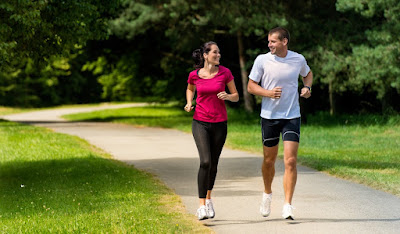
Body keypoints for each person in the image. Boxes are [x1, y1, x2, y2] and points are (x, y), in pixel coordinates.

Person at [247, 27, 313, 220]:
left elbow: (307, 74)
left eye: (273, 41)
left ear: (284, 41)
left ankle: (288, 205)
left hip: (292, 115)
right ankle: (267, 194)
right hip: (269, 116)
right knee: (269, 160)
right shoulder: (262, 60)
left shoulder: (298, 59)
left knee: (291, 160)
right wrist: (267, 93)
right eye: (269, 42)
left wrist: (307, 87)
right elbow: (251, 86)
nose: (270, 45)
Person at [185, 41, 239, 220]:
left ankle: (208, 199)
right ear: (206, 55)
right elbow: (190, 88)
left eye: (219, 52)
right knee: (205, 162)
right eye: (215, 52)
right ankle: (201, 206)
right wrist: (189, 102)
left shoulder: (225, 73)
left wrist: (228, 96)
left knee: (214, 164)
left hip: (220, 123)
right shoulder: (194, 75)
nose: (218, 55)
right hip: (200, 122)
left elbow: (236, 96)